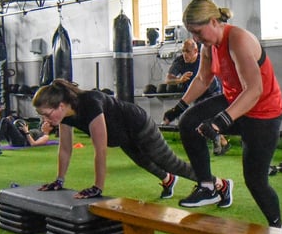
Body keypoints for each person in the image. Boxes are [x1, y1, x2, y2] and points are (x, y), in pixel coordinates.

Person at [163, 0, 282, 228]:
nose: (196, 39)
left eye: (198, 32)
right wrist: (178, 108)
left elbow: (255, 90)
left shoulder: (238, 39)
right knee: (189, 121)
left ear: (213, 21)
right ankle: (208, 187)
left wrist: (220, 121)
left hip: (263, 113)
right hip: (235, 103)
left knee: (255, 181)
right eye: (192, 34)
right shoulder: (208, 46)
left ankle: (278, 227)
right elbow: (202, 79)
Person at [32, 79, 198, 200]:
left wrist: (98, 187)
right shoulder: (64, 116)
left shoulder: (90, 103)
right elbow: (66, 149)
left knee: (170, 163)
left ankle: (214, 183)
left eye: (47, 114)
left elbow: (100, 150)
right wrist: (59, 180)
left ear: (60, 105)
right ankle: (168, 180)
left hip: (139, 125)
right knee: (144, 162)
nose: (46, 120)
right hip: (122, 135)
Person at [163, 38, 230, 156]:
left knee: (207, 118)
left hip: (213, 91)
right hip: (197, 93)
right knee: (197, 119)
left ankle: (218, 140)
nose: (185, 54)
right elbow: (168, 79)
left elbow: (205, 79)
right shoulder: (179, 62)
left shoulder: (203, 58)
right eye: (183, 51)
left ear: (195, 51)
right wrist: (179, 79)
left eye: (187, 51)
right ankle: (223, 142)